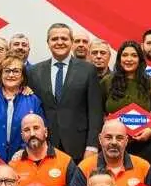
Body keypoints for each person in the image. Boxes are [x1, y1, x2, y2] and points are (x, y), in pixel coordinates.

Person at [29, 23, 104, 163]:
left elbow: (95, 112)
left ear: (71, 42)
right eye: (54, 39)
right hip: (45, 146)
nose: (59, 42)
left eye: (64, 38)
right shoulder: (34, 72)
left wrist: (92, 146)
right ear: (48, 43)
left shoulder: (88, 70)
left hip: (79, 147)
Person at [68, 119, 151, 186]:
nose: (114, 142)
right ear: (100, 139)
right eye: (108, 137)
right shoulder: (86, 166)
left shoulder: (143, 166)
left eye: (119, 138)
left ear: (126, 141)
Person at [101, 40, 151, 166]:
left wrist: (150, 130)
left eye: (134, 55)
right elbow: (99, 112)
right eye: (125, 55)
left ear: (140, 59)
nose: (129, 59)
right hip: (113, 146)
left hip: (143, 146)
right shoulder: (107, 82)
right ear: (119, 59)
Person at [0, 56, 44, 163]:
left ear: (23, 77)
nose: (11, 75)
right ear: (0, 75)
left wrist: (25, 149)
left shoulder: (33, 100)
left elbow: (40, 131)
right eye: (7, 71)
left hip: (23, 161)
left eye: (16, 71)